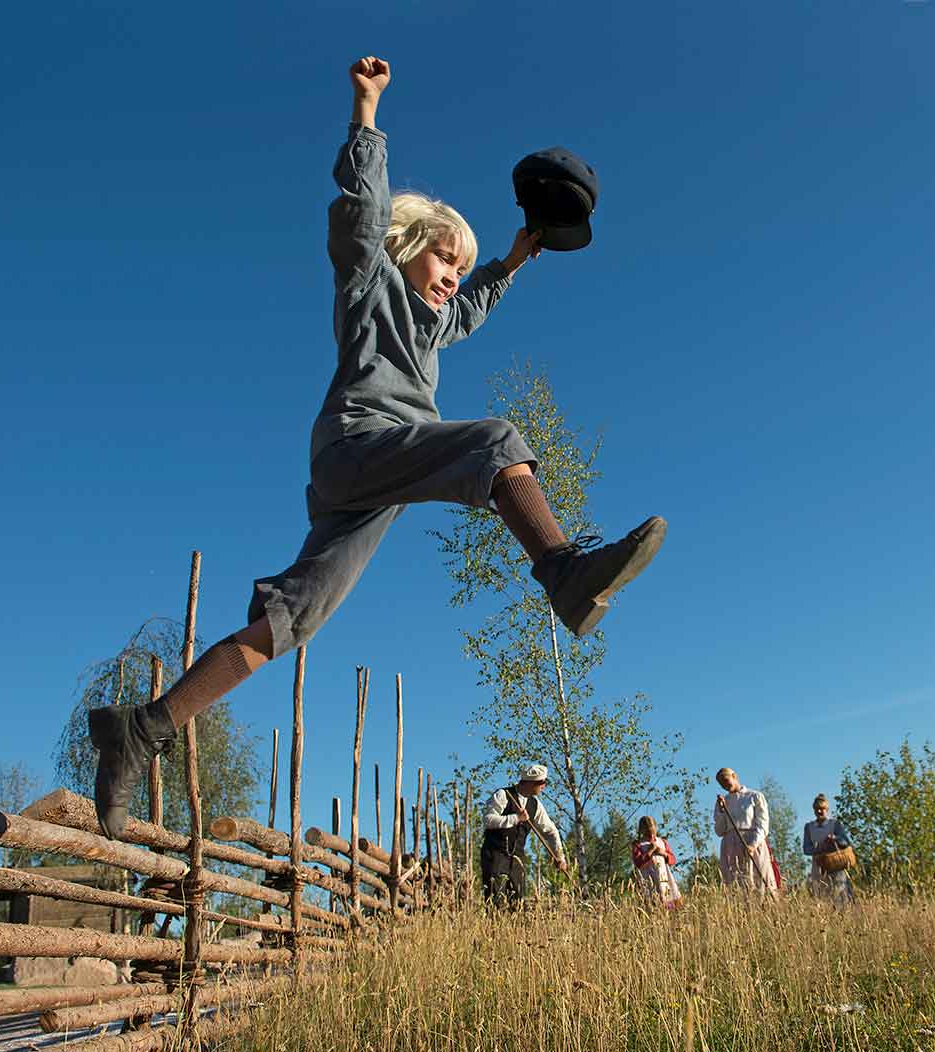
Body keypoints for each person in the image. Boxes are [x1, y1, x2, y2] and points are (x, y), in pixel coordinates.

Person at [85, 54, 666, 839]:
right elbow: (361, 212)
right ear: (406, 247)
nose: (452, 276)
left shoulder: (435, 323)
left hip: (376, 482)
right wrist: (367, 114)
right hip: (360, 443)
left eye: (459, 267)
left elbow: (474, 304)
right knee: (496, 439)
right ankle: (562, 571)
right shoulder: (369, 282)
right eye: (441, 257)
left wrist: (516, 258)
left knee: (289, 621)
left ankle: (142, 731)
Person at [481, 764, 567, 907]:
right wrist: (516, 818)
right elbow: (488, 820)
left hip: (517, 859)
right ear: (529, 782)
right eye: (541, 782)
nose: (544, 786)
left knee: (518, 904)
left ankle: (516, 930)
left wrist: (559, 856)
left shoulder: (535, 805)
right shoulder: (503, 795)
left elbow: (551, 831)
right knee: (495, 903)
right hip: (495, 856)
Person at [712, 768, 778, 898]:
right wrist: (721, 810)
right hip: (731, 848)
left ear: (734, 776)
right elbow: (719, 831)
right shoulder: (723, 802)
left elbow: (763, 824)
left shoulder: (754, 796)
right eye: (721, 784)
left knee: (759, 883)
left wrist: (753, 844)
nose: (725, 785)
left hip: (752, 844)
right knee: (737, 886)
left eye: (726, 780)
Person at [802, 794, 855, 903]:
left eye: (822, 809)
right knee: (821, 898)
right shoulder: (809, 827)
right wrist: (819, 848)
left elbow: (846, 842)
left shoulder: (835, 824)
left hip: (836, 865)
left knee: (840, 897)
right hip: (818, 867)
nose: (820, 812)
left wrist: (835, 839)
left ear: (827, 809)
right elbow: (806, 849)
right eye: (817, 809)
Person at [631, 815, 682, 909]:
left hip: (664, 879)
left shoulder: (662, 842)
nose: (651, 834)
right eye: (647, 832)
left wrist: (663, 853)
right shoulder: (638, 845)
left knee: (669, 904)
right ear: (641, 830)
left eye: (652, 830)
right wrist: (650, 851)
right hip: (648, 881)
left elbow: (672, 860)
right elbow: (638, 863)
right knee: (651, 906)